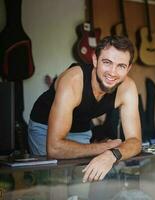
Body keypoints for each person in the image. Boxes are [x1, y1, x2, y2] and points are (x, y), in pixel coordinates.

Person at [28, 35, 142, 182]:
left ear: (129, 68)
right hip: (45, 127)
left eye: (121, 66)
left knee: (82, 182)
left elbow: (136, 141)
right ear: (95, 60)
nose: (113, 73)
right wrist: (103, 148)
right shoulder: (73, 80)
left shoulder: (127, 88)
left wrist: (112, 154)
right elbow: (54, 148)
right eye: (107, 62)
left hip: (81, 129)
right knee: (54, 184)